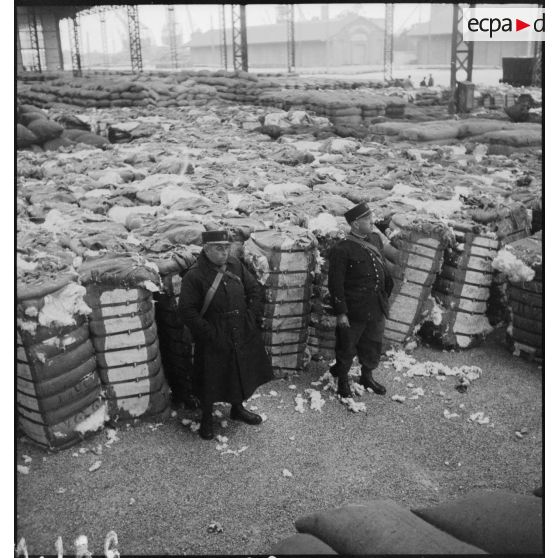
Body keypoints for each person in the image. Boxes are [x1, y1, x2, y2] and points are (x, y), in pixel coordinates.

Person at [178, 230, 274, 440]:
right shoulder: (194, 275)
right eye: (218, 248)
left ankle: (238, 409)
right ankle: (206, 418)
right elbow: (187, 311)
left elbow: (255, 290)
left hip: (240, 328)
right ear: (206, 248)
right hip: (214, 334)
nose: (224, 253)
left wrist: (250, 318)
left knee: (240, 370)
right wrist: (210, 333)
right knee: (210, 377)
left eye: (227, 248)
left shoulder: (235, 265)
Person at [328, 202, 394, 398]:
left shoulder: (375, 239)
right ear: (355, 224)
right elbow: (336, 284)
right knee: (346, 347)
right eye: (367, 219)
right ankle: (342, 380)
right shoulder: (342, 248)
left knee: (373, 344)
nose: (372, 222)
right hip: (354, 308)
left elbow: (381, 268)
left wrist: (385, 295)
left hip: (376, 305)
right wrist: (341, 313)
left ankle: (367, 376)